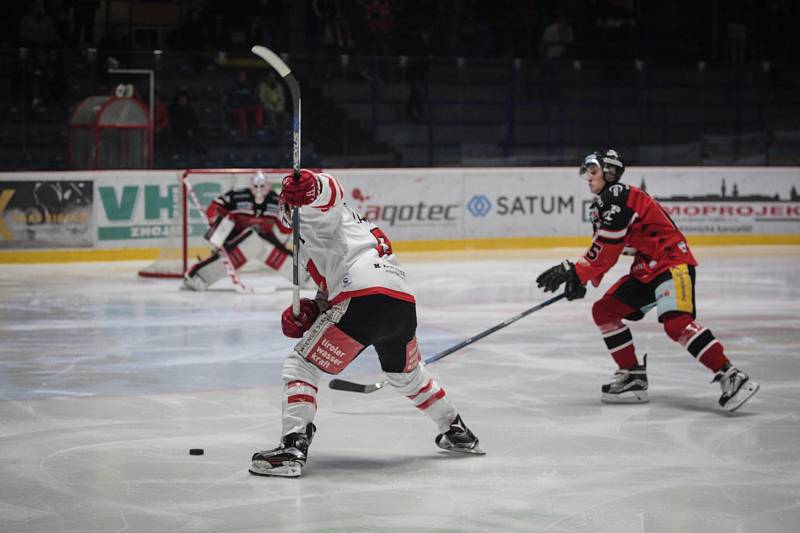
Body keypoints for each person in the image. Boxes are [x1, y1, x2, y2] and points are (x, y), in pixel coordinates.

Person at [249, 169, 485, 478]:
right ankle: (456, 430)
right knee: (408, 376)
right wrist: (311, 310)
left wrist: (312, 183)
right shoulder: (344, 229)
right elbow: (332, 288)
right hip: (399, 302)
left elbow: (328, 192)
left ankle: (292, 446)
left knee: (301, 366)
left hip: (361, 297)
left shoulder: (322, 216)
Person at [536, 149, 759, 412]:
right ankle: (633, 376)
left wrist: (574, 270)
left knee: (676, 324)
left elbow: (606, 249)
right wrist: (582, 279)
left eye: (593, 172)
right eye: (587, 173)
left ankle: (731, 375)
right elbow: (606, 250)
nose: (588, 178)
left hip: (671, 262)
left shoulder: (619, 196)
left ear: (609, 173)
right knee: (604, 310)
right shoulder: (601, 206)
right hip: (646, 270)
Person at [182, 172, 307, 291]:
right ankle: (195, 277)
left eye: (262, 186)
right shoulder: (237, 196)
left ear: (268, 185)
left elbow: (285, 229)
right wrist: (216, 222)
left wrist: (292, 219)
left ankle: (306, 278)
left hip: (266, 238)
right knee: (252, 241)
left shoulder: (277, 201)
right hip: (236, 237)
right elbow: (215, 208)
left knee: (265, 246)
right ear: (250, 185)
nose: (259, 189)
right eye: (256, 185)